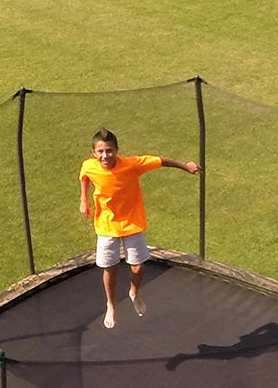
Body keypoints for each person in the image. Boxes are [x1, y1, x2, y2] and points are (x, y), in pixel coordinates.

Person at [78, 128, 201, 329]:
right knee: (110, 268)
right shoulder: (89, 166)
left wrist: (185, 166)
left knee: (138, 266)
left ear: (116, 150)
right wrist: (83, 199)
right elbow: (84, 177)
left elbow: (160, 161)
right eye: (100, 151)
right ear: (94, 153)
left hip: (132, 222)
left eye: (109, 150)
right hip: (106, 225)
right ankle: (110, 304)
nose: (105, 155)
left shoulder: (132, 164)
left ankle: (133, 291)